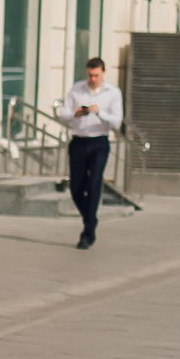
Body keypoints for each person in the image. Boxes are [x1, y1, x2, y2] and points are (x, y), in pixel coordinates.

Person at [56, 54, 126, 248]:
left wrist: (99, 112)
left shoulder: (112, 92)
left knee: (94, 183)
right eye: (90, 75)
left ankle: (88, 232)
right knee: (76, 187)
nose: (92, 79)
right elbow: (63, 113)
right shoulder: (77, 89)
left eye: (96, 75)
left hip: (99, 142)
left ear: (102, 73)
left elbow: (116, 122)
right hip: (79, 141)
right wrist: (75, 114)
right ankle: (90, 219)